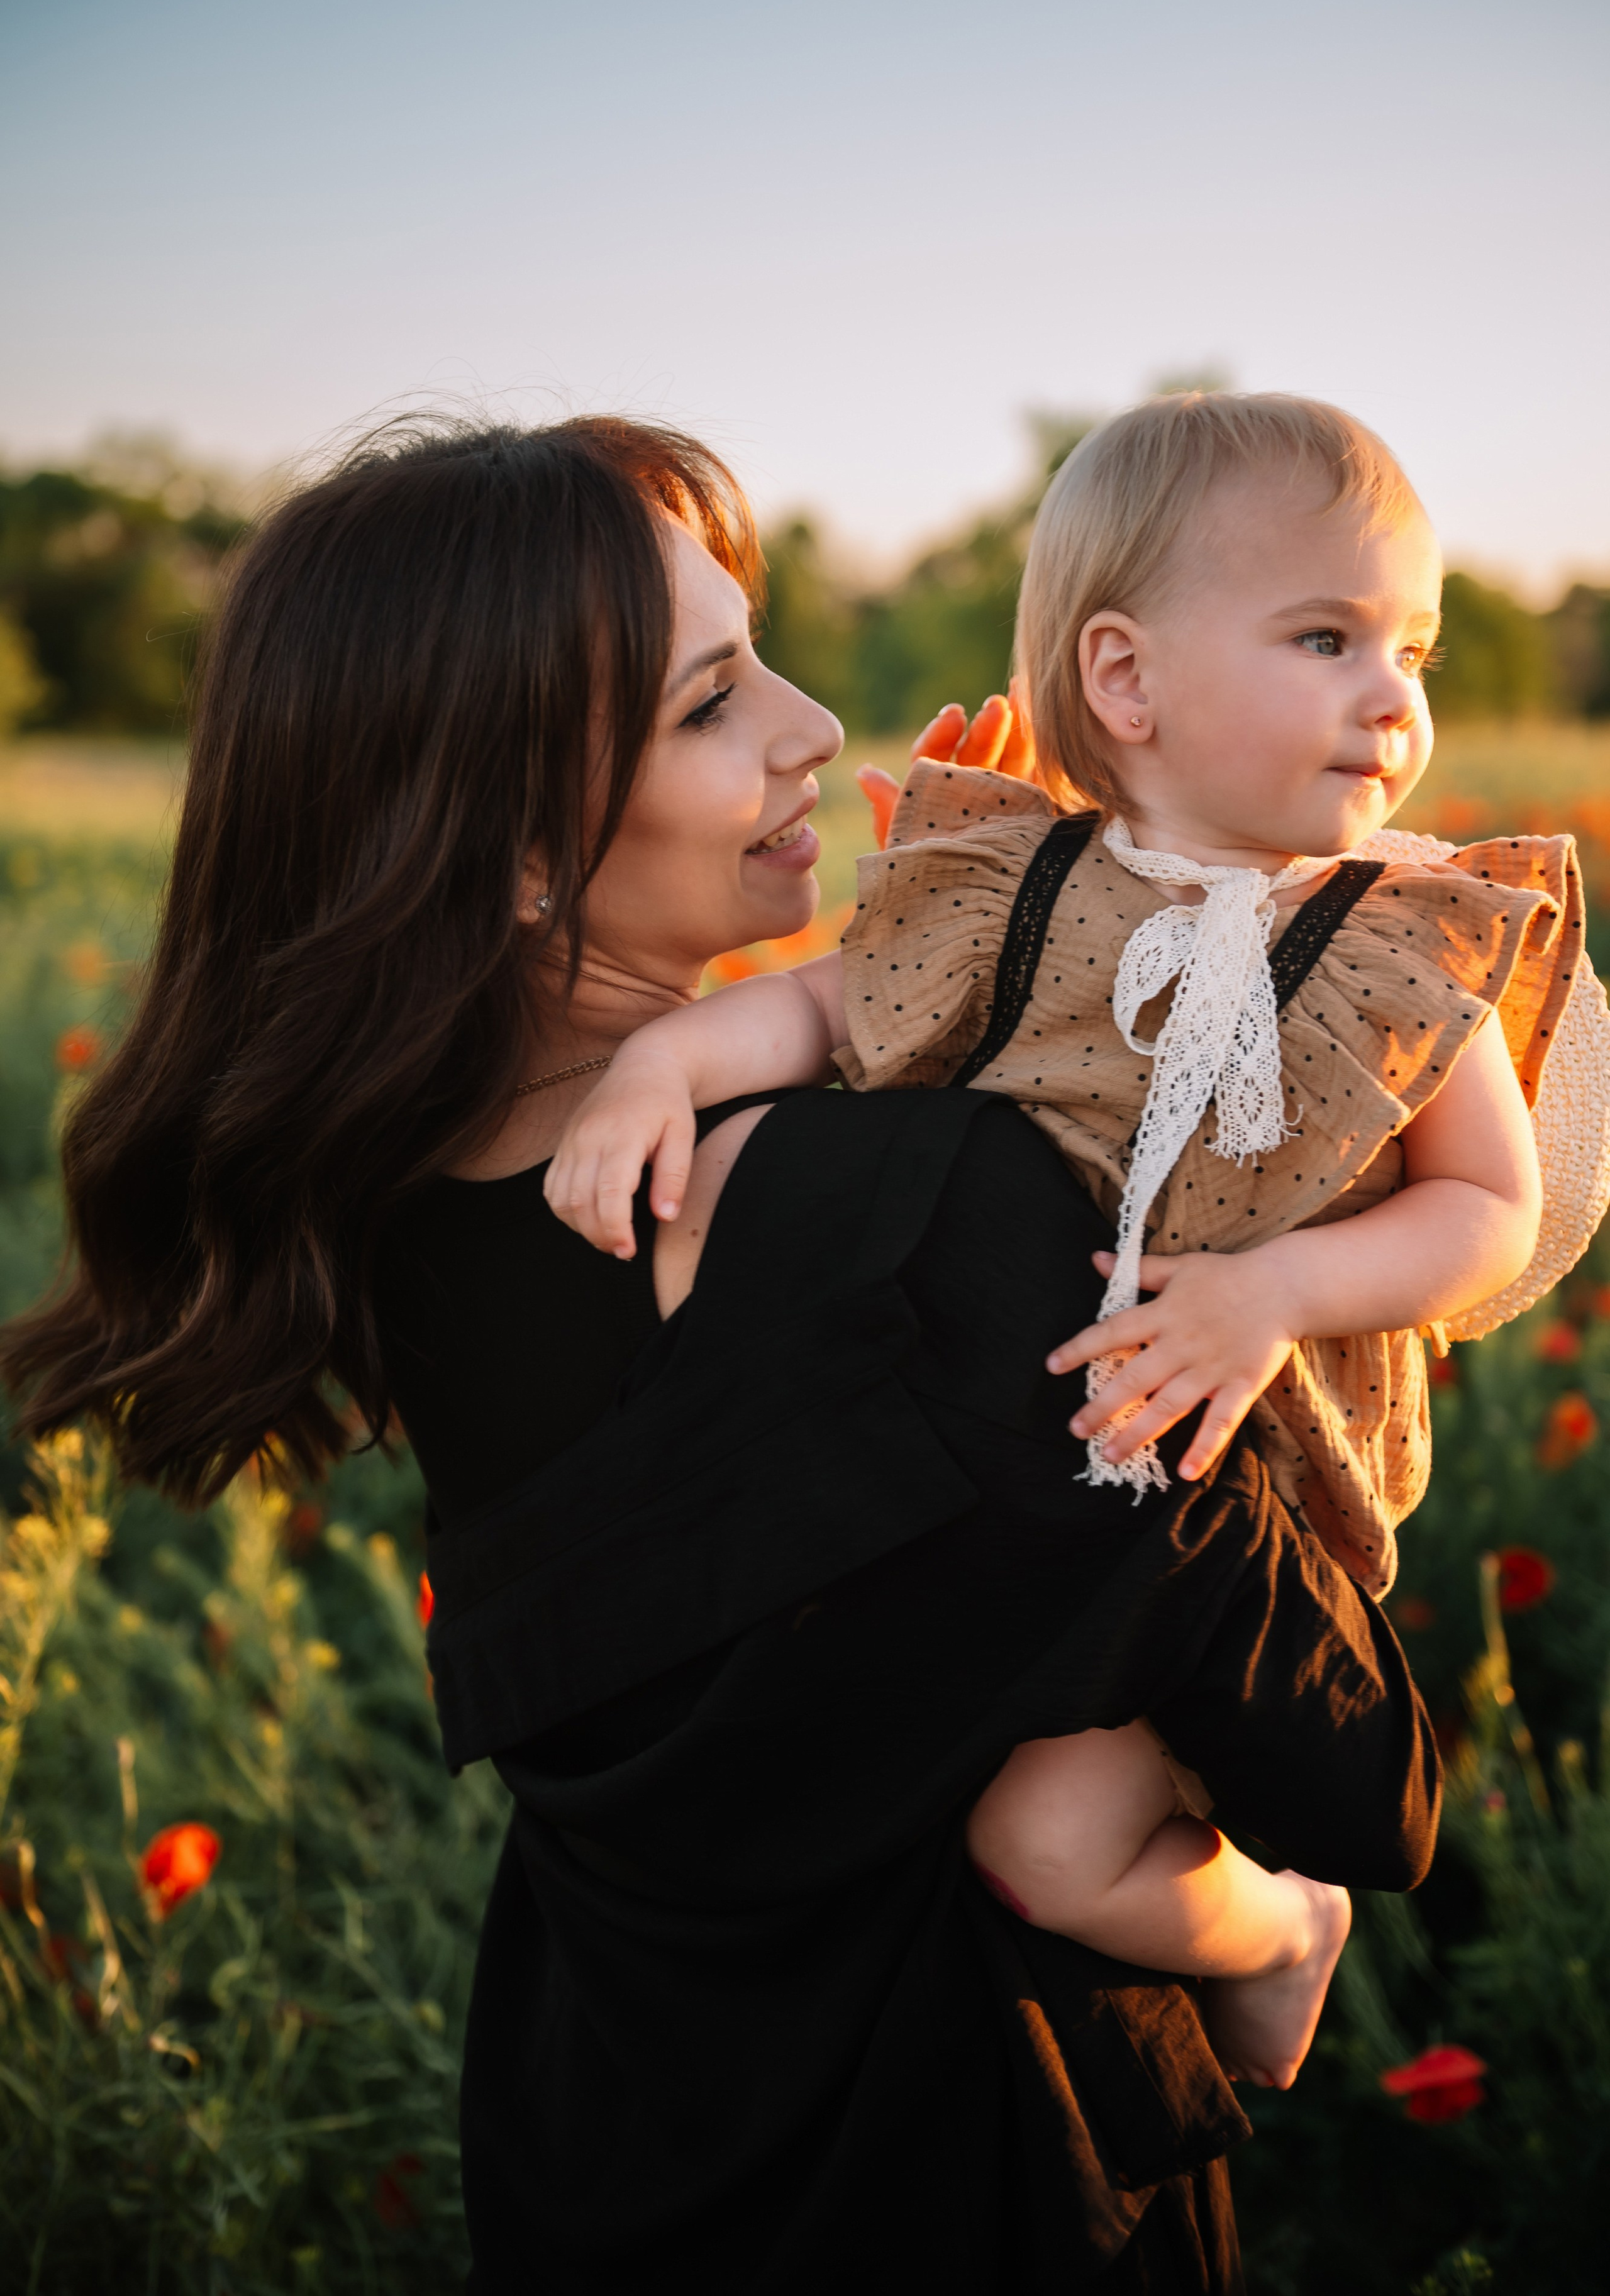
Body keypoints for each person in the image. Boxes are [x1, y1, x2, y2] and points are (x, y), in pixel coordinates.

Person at [0, 413, 1440, 2293]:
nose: (812, 726)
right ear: (514, 845)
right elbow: (1369, 1789)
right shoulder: (928, 1224)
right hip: (982, 2182)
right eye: (706, 702)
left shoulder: (384, 1225)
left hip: (604, 2150)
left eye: (758, 648)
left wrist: (1006, 948)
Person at [543, 391, 1610, 2094]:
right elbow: (824, 1010)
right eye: (1326, 637)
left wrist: (1278, 1289)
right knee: (900, 1797)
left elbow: (1492, 1214)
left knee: (1043, 1841)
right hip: (1006, 1483)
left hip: (1244, 1504)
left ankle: (1284, 1934)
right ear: (1125, 681)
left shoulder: (1400, 943)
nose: (1392, 695)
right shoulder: (1021, 892)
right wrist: (661, 1064)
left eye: (1410, 645)